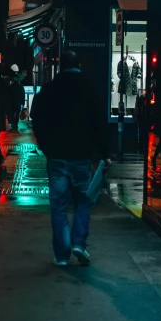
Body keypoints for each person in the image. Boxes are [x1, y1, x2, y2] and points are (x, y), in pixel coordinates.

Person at [31, 51, 110, 267]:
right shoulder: (89, 89)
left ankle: (62, 254)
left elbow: (36, 119)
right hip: (82, 155)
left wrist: (46, 146)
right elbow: (99, 124)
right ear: (79, 64)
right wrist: (105, 153)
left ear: (60, 66)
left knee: (58, 204)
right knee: (83, 200)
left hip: (56, 155)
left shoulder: (49, 90)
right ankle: (79, 243)